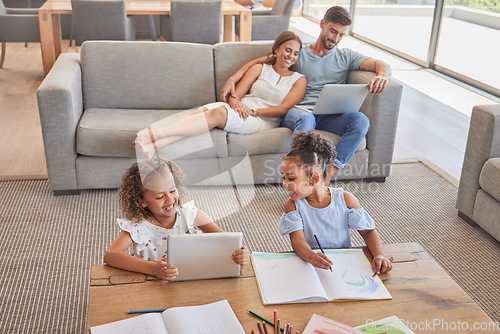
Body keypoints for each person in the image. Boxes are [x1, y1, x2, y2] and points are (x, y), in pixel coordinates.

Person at [220, 6, 392, 184]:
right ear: (322, 24)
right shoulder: (299, 52)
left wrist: (382, 75)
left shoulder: (347, 56)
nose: (335, 39)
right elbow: (265, 59)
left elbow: (381, 64)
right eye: (333, 31)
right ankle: (299, 176)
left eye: (341, 35)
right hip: (298, 112)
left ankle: (327, 176)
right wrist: (233, 78)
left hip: (330, 115)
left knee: (361, 120)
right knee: (307, 121)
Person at [134, 30, 307, 159]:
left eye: (295, 53)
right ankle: (153, 147)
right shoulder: (259, 68)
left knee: (217, 113)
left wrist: (254, 112)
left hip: (263, 120)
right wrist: (237, 104)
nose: (291, 56)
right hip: (241, 110)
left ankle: (159, 133)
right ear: (277, 49)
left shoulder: (298, 80)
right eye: (288, 50)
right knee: (199, 113)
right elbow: (235, 95)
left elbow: (284, 108)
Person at [104, 157, 250, 280]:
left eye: (172, 190)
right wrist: (153, 269)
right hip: (152, 284)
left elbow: (226, 240)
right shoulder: (138, 227)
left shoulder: (190, 214)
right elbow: (111, 255)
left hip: (192, 278)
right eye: (160, 196)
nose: (169, 199)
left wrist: (241, 253)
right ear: (142, 201)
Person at [279, 131, 392, 275]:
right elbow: (297, 241)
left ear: (314, 178)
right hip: (311, 265)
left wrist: (379, 255)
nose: (284, 184)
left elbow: (368, 232)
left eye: (291, 178)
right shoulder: (293, 205)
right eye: (283, 178)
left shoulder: (345, 199)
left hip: (344, 265)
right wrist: (311, 256)